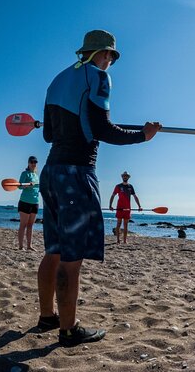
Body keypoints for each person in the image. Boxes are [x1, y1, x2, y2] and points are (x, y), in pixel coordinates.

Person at [37, 30, 161, 347]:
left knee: (54, 249)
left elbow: (48, 135)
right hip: (77, 174)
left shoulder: (57, 80)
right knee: (71, 258)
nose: (110, 63)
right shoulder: (99, 77)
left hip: (51, 173)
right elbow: (105, 130)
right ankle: (68, 330)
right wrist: (143, 136)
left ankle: (47, 317)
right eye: (111, 57)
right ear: (103, 54)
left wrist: (82, 122)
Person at [109, 171, 142, 244]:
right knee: (118, 223)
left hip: (127, 208)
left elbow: (135, 196)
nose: (125, 177)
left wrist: (139, 206)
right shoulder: (118, 186)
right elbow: (113, 196)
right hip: (120, 207)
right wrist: (110, 205)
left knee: (126, 225)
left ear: (128, 177)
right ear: (122, 177)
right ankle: (118, 240)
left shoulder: (130, 186)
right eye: (124, 176)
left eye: (126, 176)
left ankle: (124, 240)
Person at [17, 155, 40, 251]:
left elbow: (37, 188)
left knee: (30, 225)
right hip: (25, 201)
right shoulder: (25, 173)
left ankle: (29, 246)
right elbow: (19, 186)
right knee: (23, 224)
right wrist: (26, 185)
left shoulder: (36, 175)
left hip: (35, 202)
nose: (33, 164)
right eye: (32, 162)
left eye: (35, 162)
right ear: (28, 163)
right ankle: (21, 246)